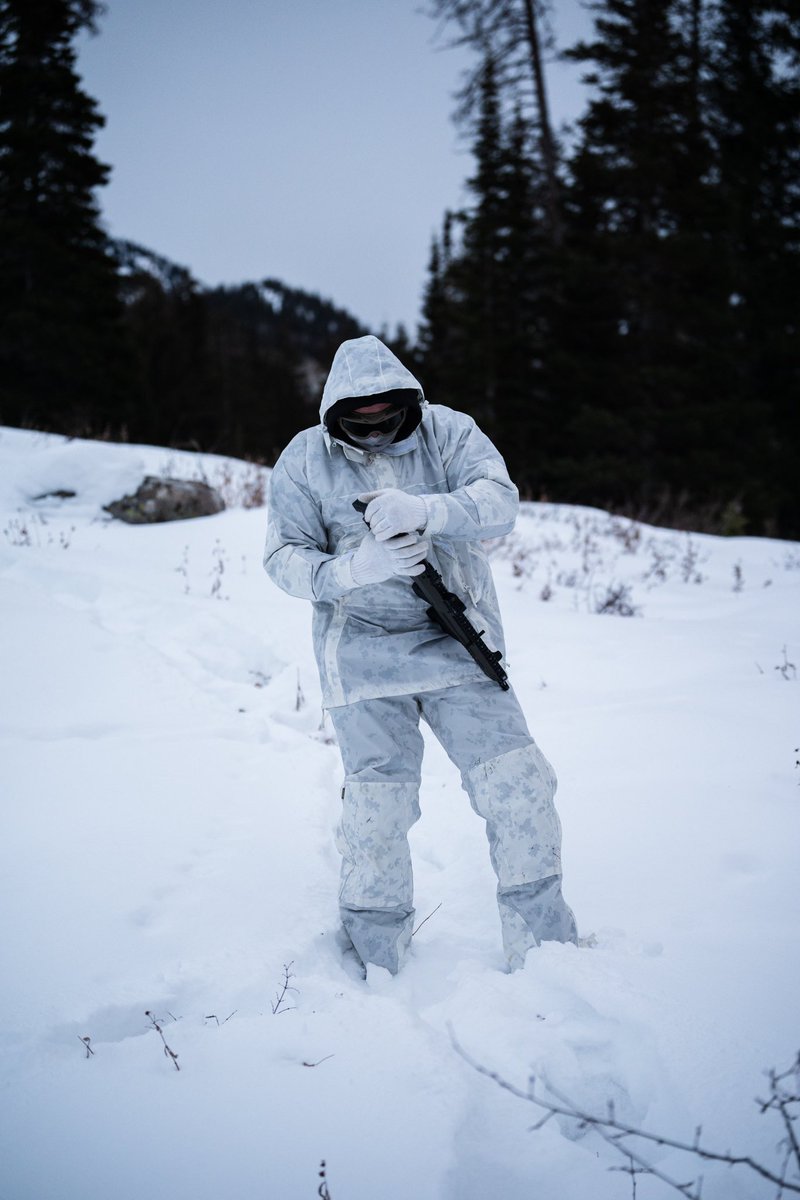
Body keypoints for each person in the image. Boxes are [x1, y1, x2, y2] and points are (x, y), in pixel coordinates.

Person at [263, 334, 577, 976]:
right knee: (379, 809)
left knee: (519, 787)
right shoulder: (303, 458)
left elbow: (501, 500)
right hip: (360, 657)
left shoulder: (451, 433)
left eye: (389, 419)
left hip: (459, 644)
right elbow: (282, 558)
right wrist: (353, 569)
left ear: (409, 403)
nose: (376, 433)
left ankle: (547, 954)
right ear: (335, 414)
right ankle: (375, 956)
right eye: (360, 423)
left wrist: (430, 511)